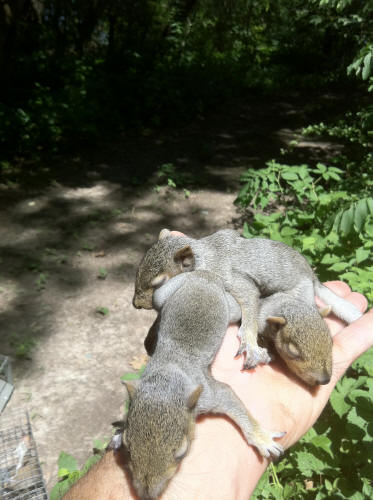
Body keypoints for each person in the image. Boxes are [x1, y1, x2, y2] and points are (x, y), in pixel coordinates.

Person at [63, 278, 372, 500]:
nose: (148, 492)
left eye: (179, 452)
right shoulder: (142, 391)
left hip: (212, 302)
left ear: (194, 403)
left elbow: (227, 396)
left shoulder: (203, 393)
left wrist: (255, 433)